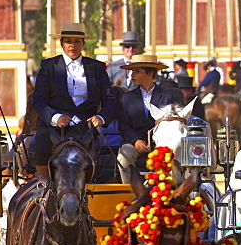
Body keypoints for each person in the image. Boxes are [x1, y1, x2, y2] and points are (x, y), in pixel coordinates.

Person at [31, 22, 117, 177]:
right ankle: (43, 181)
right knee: (42, 141)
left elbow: (110, 99)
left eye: (77, 41)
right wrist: (55, 117)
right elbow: (38, 100)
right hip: (55, 126)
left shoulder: (97, 67)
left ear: (83, 44)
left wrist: (101, 117)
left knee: (99, 157)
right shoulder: (49, 66)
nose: (73, 45)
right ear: (62, 43)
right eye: (68, 41)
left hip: (86, 125)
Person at [116, 55, 185, 183]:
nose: (132, 75)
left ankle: (168, 192)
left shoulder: (168, 96)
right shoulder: (128, 98)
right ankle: (130, 192)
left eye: (137, 71)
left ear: (150, 73)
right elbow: (124, 125)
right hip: (136, 143)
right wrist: (135, 140)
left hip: (164, 143)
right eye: (132, 72)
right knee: (124, 155)